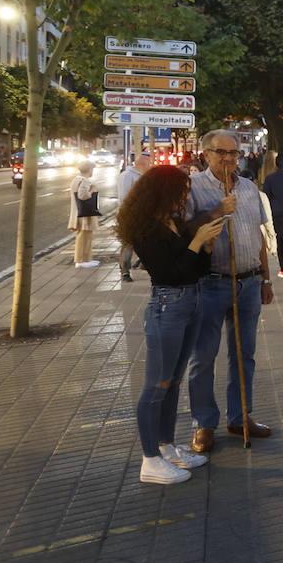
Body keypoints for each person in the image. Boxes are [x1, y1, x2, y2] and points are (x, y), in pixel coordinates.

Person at [117, 166, 225, 485]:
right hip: (168, 305)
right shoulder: (146, 229)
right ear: (162, 192)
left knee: (173, 382)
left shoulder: (174, 222)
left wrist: (205, 246)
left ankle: (166, 447)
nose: (185, 196)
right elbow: (169, 273)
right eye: (181, 190)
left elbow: (195, 270)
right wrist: (196, 243)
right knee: (156, 386)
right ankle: (150, 459)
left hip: (190, 301)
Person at [185, 130, 275, 454]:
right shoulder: (194, 187)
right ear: (205, 154)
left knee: (243, 355)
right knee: (203, 358)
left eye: (233, 153)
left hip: (249, 282)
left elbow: (260, 236)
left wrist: (266, 278)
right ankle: (204, 424)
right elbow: (185, 232)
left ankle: (240, 417)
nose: (228, 159)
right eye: (221, 152)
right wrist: (216, 211)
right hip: (210, 283)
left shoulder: (250, 188)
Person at [117, 152, 152, 282]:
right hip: (130, 216)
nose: (151, 165)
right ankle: (125, 271)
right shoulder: (127, 176)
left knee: (145, 241)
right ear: (141, 164)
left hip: (143, 215)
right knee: (128, 244)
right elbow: (125, 197)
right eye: (149, 163)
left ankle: (143, 263)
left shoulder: (142, 176)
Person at [68, 160, 101, 269]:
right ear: (89, 170)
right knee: (85, 237)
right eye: (92, 169)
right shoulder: (85, 181)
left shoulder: (76, 180)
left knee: (83, 236)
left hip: (79, 213)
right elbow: (82, 195)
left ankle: (85, 259)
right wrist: (91, 191)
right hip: (85, 215)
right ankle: (82, 260)